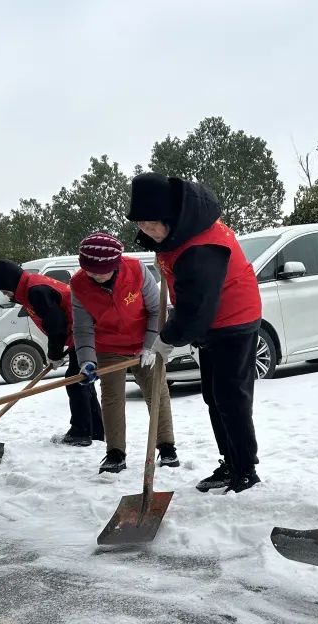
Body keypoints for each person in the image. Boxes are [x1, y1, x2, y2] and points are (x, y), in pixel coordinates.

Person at [127, 172, 262, 493]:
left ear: (170, 216)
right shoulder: (178, 233)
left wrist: (167, 338)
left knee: (231, 398)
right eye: (141, 225)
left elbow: (196, 310)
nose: (146, 231)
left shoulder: (201, 247)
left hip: (234, 321)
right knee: (214, 397)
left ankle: (244, 469)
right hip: (213, 322)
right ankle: (230, 461)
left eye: (151, 225)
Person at [69, 232, 179, 473]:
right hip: (109, 347)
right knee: (112, 398)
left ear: (115, 264)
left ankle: (167, 447)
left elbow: (155, 311)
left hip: (145, 342)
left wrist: (150, 346)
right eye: (90, 271)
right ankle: (115, 453)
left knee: (157, 392)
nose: (94, 276)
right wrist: (87, 360)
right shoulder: (78, 284)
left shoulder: (136, 271)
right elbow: (83, 328)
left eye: (101, 271)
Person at [0, 259, 102, 447]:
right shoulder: (32, 286)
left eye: (4, 290)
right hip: (80, 334)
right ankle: (95, 431)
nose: (5, 295)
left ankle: (82, 432)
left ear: (9, 282)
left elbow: (56, 325)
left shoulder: (35, 291)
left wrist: (53, 354)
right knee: (82, 381)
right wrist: (56, 351)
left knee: (75, 380)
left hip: (86, 332)